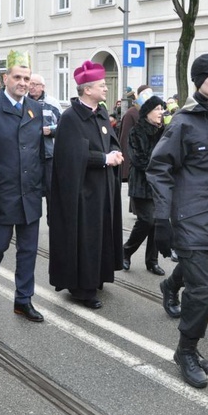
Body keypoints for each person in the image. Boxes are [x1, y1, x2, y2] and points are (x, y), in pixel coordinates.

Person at [147, 53, 208, 389]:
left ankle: (190, 342)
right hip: (190, 221)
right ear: (199, 81)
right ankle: (185, 351)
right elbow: (158, 168)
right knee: (203, 290)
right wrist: (162, 217)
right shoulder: (183, 122)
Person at [0, 51, 45, 322]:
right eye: (17, 77)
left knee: (28, 251)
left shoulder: (35, 108)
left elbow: (38, 151)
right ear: (5, 78)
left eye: (27, 78)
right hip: (1, 193)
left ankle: (23, 300)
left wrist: (42, 185)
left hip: (30, 192)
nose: (23, 82)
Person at [48, 60, 124, 309]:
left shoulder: (101, 112)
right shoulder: (71, 117)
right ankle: (82, 288)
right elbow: (71, 156)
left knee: (101, 234)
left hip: (103, 188)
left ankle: (98, 277)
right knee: (85, 237)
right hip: (82, 192)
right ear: (87, 89)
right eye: (102, 85)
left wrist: (115, 152)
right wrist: (104, 159)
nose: (106, 89)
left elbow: (111, 140)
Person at [123, 94, 166, 275]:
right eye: (157, 109)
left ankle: (152, 261)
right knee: (147, 220)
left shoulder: (164, 131)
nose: (161, 112)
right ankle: (126, 251)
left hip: (159, 184)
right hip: (141, 183)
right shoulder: (137, 131)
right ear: (147, 112)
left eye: (162, 109)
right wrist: (159, 165)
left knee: (156, 222)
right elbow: (138, 159)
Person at [28, 73, 63, 218]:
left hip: (48, 154)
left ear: (42, 87)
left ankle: (52, 222)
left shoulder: (52, 103)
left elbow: (63, 125)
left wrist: (51, 130)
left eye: (35, 84)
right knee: (31, 189)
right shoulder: (24, 102)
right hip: (29, 154)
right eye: (30, 84)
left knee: (51, 189)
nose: (31, 87)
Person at [119, 85, 153, 182]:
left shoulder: (152, 112)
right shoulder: (131, 113)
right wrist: (126, 168)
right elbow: (125, 139)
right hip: (135, 163)